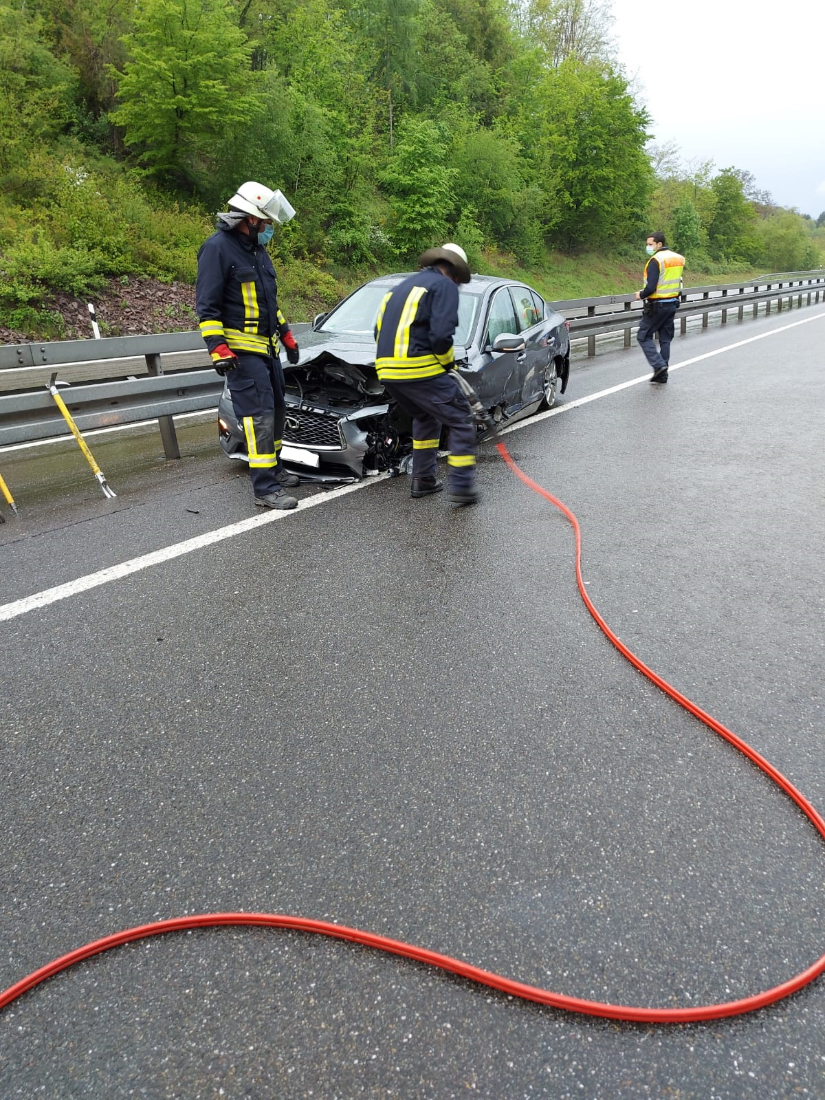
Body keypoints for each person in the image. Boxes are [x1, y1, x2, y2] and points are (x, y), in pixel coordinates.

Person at [196, 182, 301, 509]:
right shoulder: (217, 248)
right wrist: (218, 348)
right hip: (242, 354)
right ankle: (265, 488)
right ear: (252, 219)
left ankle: (275, 469)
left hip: (268, 351)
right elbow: (207, 307)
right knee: (259, 418)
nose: (270, 228)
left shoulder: (257, 251)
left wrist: (285, 333)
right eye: (267, 222)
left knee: (277, 412)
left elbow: (268, 303)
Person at [374, 243, 479, 505]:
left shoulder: (398, 288)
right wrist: (448, 365)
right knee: (461, 418)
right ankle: (463, 487)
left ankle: (423, 479)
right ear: (455, 273)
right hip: (420, 368)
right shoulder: (444, 286)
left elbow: (378, 330)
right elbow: (441, 336)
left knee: (425, 416)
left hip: (387, 370)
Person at [634, 232, 685, 384]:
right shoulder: (678, 258)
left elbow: (651, 287)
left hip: (657, 305)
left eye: (650, 244)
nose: (648, 247)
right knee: (665, 339)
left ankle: (658, 365)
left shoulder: (656, 260)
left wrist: (640, 294)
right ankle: (662, 375)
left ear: (659, 244)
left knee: (643, 336)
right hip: (672, 303)